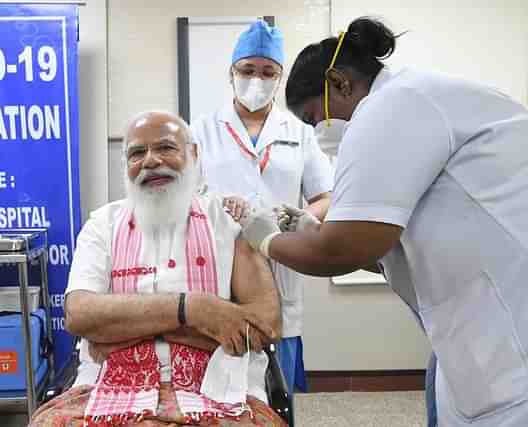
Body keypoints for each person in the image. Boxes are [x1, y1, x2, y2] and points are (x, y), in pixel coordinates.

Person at [238, 16, 528, 427]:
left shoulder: (392, 106)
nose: (318, 132)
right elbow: (385, 250)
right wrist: (311, 231)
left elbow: (342, 250)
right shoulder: (419, 99)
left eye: (312, 117)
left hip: (504, 332)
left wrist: (266, 239)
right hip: (471, 326)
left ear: (339, 82)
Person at [30, 111, 286, 427]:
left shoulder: (230, 221)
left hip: (220, 386)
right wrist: (195, 310)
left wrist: (125, 330)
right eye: (137, 153)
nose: (150, 161)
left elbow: (263, 326)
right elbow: (80, 315)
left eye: (165, 148)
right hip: (109, 384)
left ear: (193, 154)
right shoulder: (102, 226)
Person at [191, 20, 334, 395]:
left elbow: (326, 197)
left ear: (280, 76)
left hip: (282, 263)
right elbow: (185, 200)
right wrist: (216, 207)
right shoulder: (202, 131)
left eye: (267, 72)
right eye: (247, 70)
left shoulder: (300, 131)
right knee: (221, 389)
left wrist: (298, 218)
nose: (257, 79)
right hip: (220, 268)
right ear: (231, 73)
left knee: (277, 388)